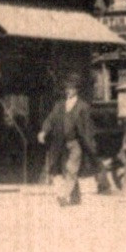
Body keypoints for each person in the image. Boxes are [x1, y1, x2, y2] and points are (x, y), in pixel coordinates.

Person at [38, 77, 97, 207]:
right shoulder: (60, 105)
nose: (68, 91)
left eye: (71, 89)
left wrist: (90, 145)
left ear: (76, 90)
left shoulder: (83, 107)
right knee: (67, 170)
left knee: (71, 169)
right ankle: (76, 197)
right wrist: (43, 131)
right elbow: (50, 119)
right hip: (62, 144)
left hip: (76, 143)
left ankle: (63, 195)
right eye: (67, 89)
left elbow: (88, 128)